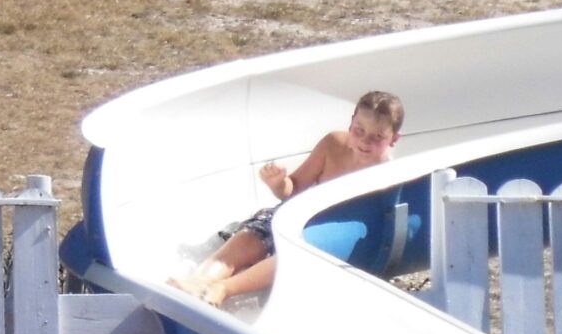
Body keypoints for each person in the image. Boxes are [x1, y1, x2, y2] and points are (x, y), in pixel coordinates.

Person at [171, 90, 403, 307]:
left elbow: (380, 230)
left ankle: (223, 289)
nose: (365, 141)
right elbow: (293, 189)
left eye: (377, 136)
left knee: (294, 253)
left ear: (394, 139)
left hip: (327, 237)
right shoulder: (333, 144)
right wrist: (279, 183)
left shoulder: (389, 175)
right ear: (351, 123)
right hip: (299, 214)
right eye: (359, 130)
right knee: (252, 236)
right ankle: (199, 281)